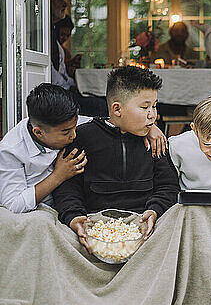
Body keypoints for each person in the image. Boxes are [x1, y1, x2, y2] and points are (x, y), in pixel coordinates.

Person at [52, 66, 180, 249]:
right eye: (145, 107)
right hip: (94, 224)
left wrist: (154, 210)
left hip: (147, 224)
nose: (153, 114)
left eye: (154, 105)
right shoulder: (83, 137)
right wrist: (73, 217)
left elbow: (168, 186)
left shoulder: (156, 141)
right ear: (117, 109)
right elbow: (68, 187)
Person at [0, 83, 89, 213]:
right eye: (66, 132)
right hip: (38, 211)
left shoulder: (64, 123)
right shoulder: (11, 150)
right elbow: (14, 205)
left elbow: (103, 122)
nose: (73, 135)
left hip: (71, 203)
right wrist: (58, 175)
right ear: (39, 133)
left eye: (75, 127)